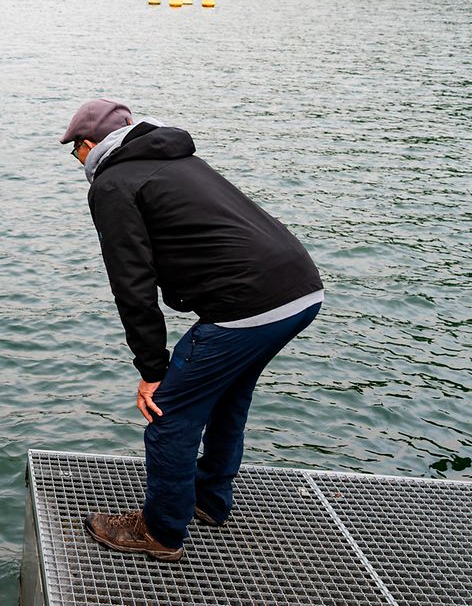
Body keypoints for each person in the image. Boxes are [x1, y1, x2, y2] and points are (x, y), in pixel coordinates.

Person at [61, 98, 323, 562]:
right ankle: (209, 499)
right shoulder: (180, 159)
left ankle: (160, 530)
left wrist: (152, 369)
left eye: (73, 152)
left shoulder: (112, 184)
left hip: (248, 304)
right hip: (299, 289)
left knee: (168, 414)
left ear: (88, 145)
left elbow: (132, 284)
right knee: (227, 396)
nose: (77, 161)